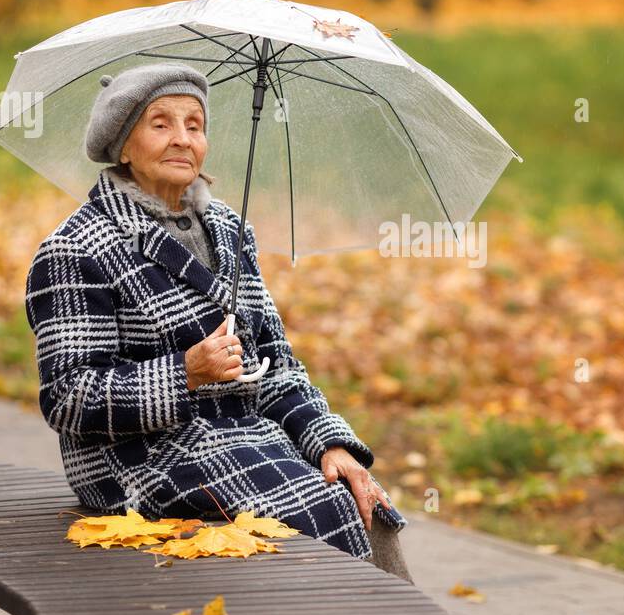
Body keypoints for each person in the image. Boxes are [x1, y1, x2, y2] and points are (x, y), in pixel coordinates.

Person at [24, 62, 412, 581]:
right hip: (137, 460)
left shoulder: (228, 229)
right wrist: (185, 372)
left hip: (238, 438)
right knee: (317, 512)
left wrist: (328, 441)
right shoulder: (77, 248)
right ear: (123, 145)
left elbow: (275, 360)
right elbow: (69, 397)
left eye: (194, 124)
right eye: (160, 124)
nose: (182, 139)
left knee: (363, 500)